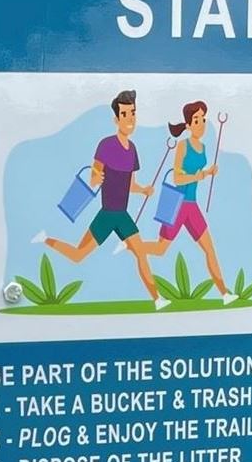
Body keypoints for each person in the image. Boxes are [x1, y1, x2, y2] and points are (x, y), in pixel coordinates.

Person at [37, 90, 162, 305]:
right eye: (125, 114)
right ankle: (45, 239)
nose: (130, 119)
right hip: (107, 214)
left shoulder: (132, 150)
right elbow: (94, 177)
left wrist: (143, 190)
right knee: (78, 255)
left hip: (122, 215)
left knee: (141, 253)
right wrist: (97, 177)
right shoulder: (106, 145)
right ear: (116, 119)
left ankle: (157, 299)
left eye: (133, 113)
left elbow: (130, 185)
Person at [145, 101, 230, 301]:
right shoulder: (183, 146)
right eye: (196, 120)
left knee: (209, 249)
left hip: (192, 206)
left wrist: (209, 172)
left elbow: (198, 173)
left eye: (203, 119)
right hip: (177, 204)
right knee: (160, 249)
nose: (201, 124)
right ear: (189, 125)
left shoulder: (204, 148)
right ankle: (133, 245)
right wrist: (201, 175)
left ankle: (225, 294)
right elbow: (177, 178)